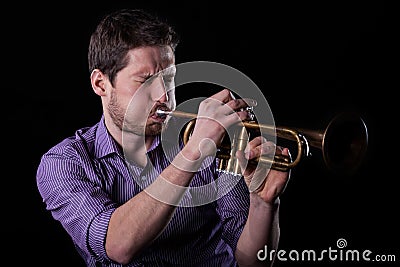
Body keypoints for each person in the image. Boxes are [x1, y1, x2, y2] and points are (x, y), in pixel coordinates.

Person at [36, 8, 291, 267]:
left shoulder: (211, 142)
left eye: (168, 78)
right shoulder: (64, 163)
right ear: (101, 83)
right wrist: (192, 154)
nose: (164, 96)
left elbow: (253, 262)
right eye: (145, 81)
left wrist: (263, 203)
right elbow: (118, 245)